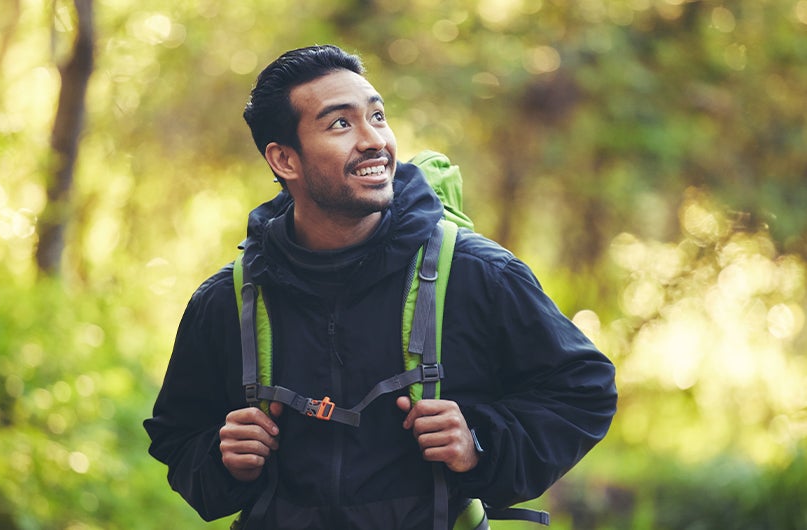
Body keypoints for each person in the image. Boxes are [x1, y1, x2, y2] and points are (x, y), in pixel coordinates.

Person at [144, 44, 617, 530]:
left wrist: (480, 442)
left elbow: (584, 390)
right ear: (285, 159)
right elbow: (178, 436)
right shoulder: (228, 300)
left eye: (377, 116)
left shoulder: (479, 274)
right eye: (341, 124)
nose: (374, 141)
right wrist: (224, 459)